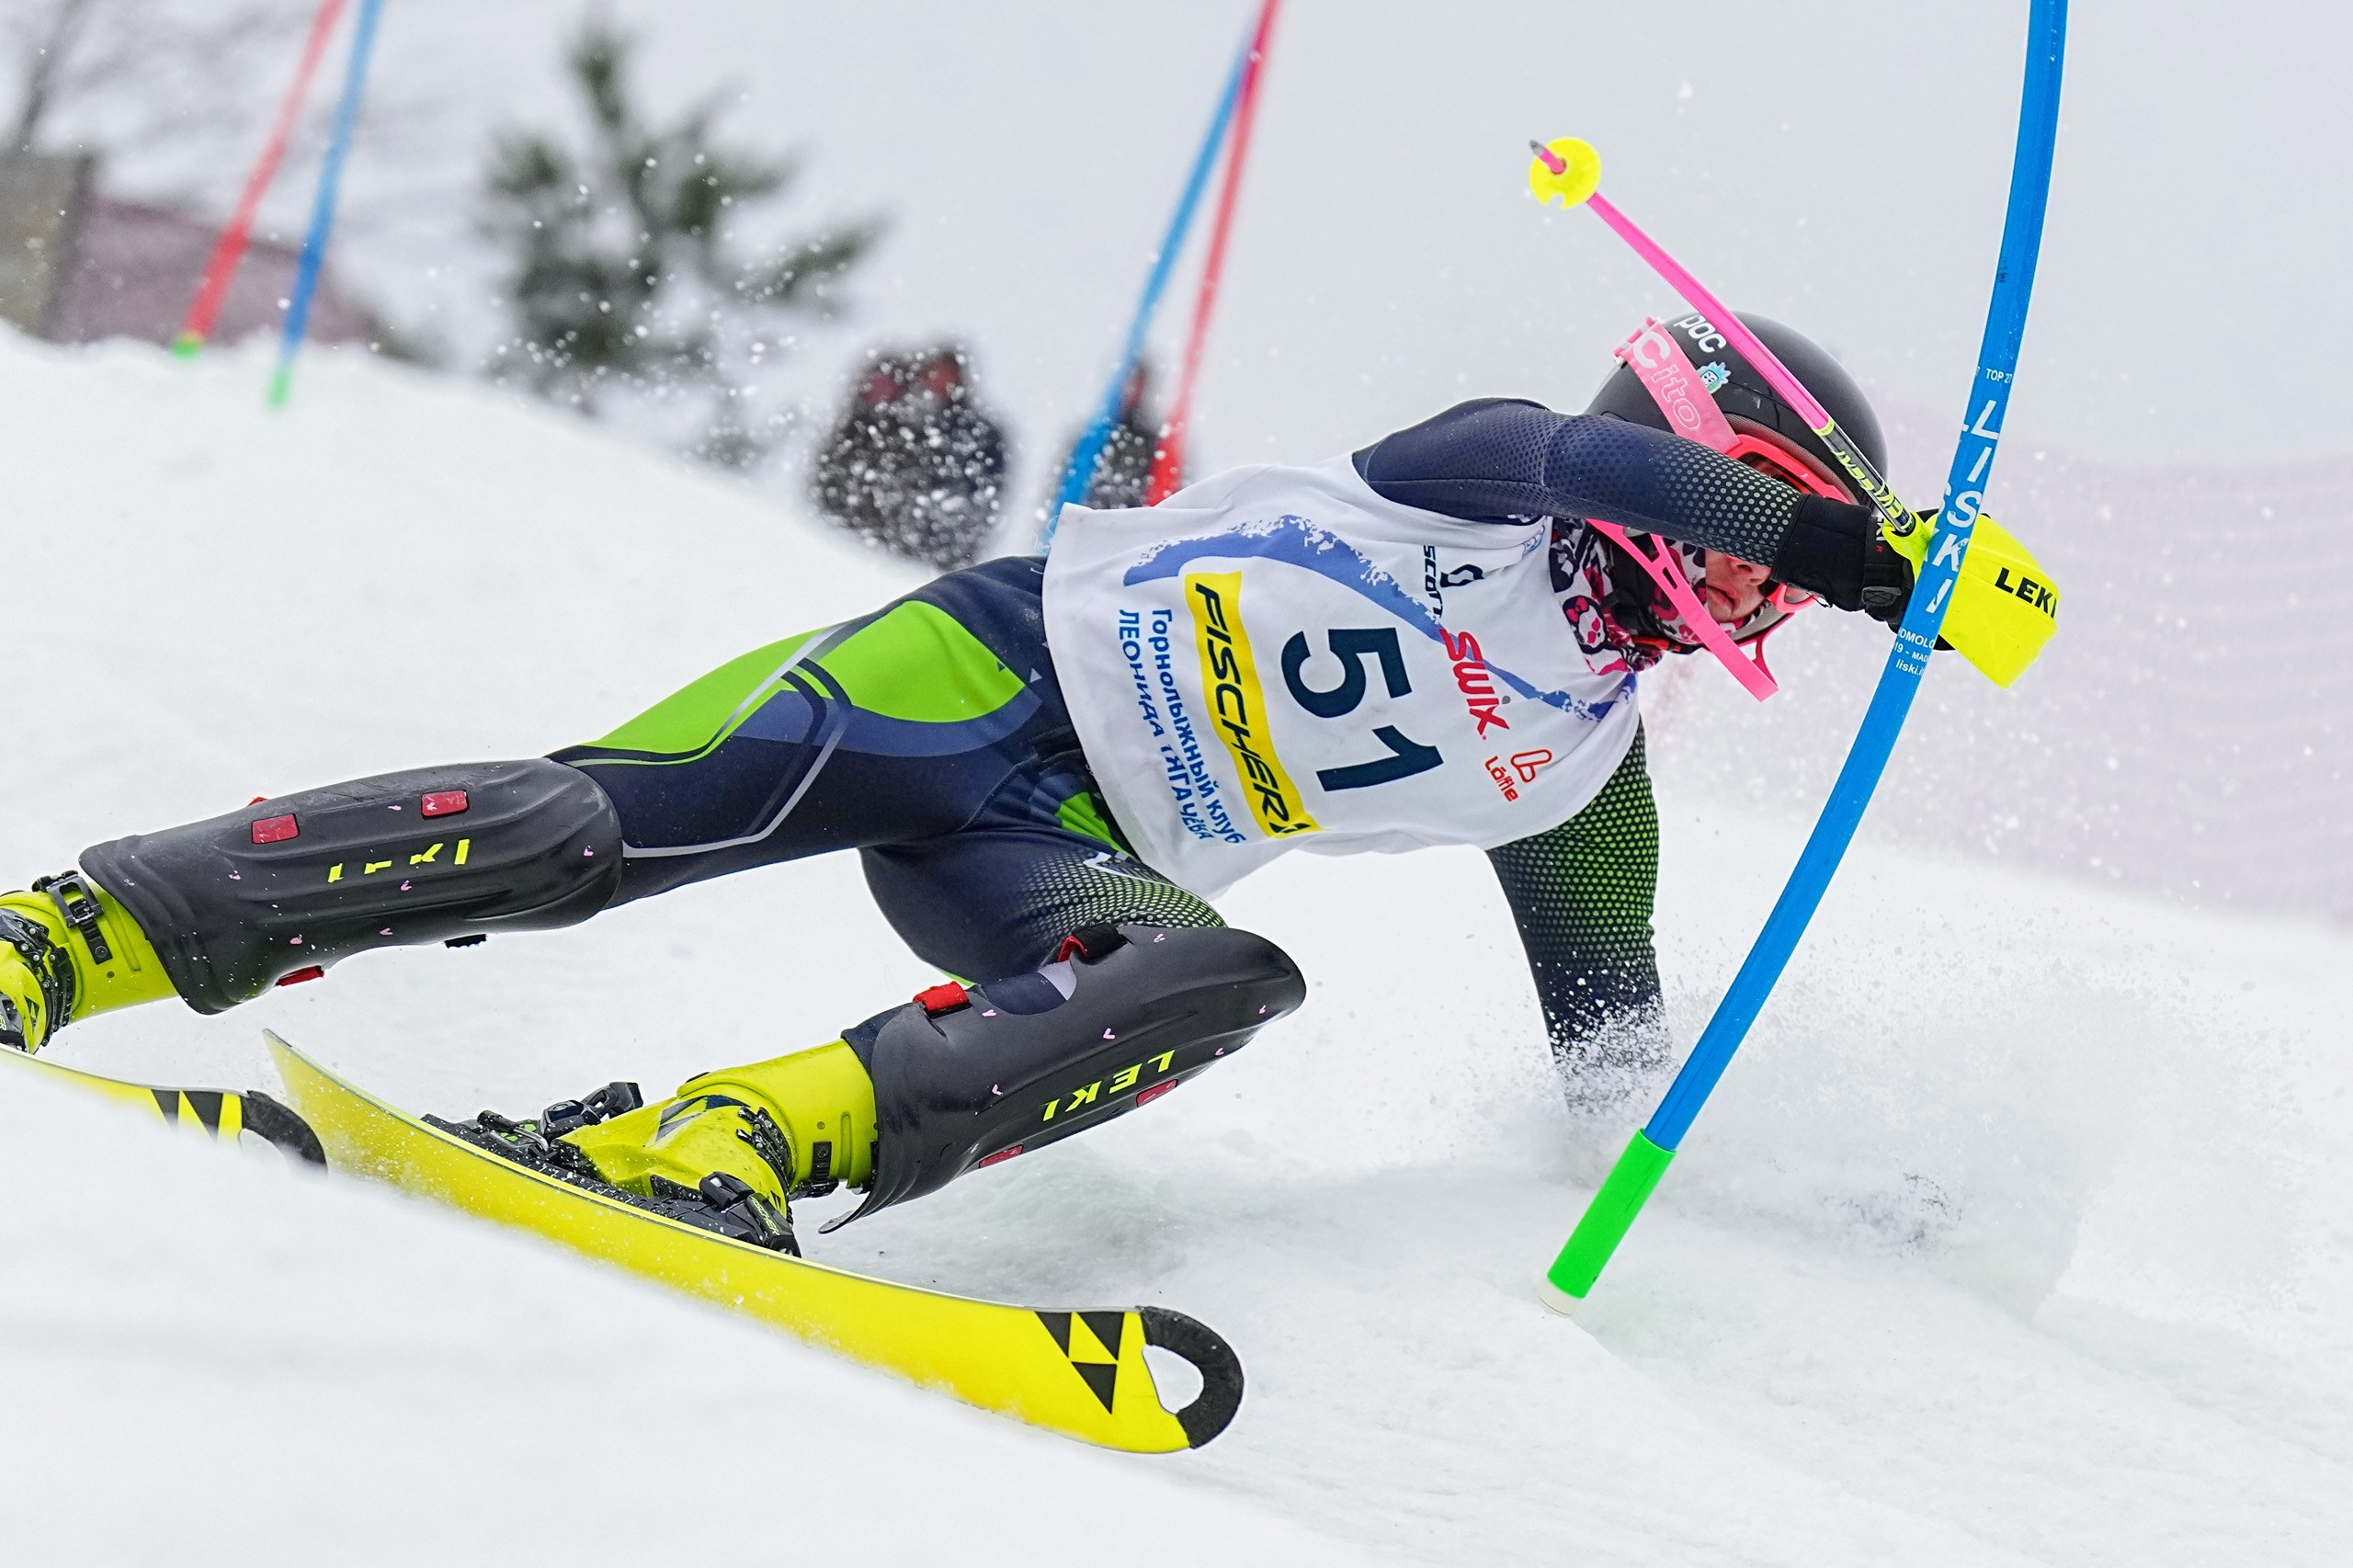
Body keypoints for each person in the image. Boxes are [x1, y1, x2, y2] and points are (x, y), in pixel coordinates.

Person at [0, 312, 1927, 1256]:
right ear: (1699, 449)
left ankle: (729, 1144)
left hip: (1055, 852)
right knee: (579, 829)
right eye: (1764, 525)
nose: (1766, 580)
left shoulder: (1583, 772)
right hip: (967, 676)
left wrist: (1812, 1199)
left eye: (1793, 558)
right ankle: (73, 929)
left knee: (1215, 979)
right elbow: (1606, 480)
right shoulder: (1488, 467)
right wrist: (1856, 550)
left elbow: (1614, 1046)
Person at [810, 344, 1009, 571]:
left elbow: (979, 496)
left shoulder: (968, 433)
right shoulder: (879, 428)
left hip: (931, 553)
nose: (936, 383)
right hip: (853, 536)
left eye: (944, 376)